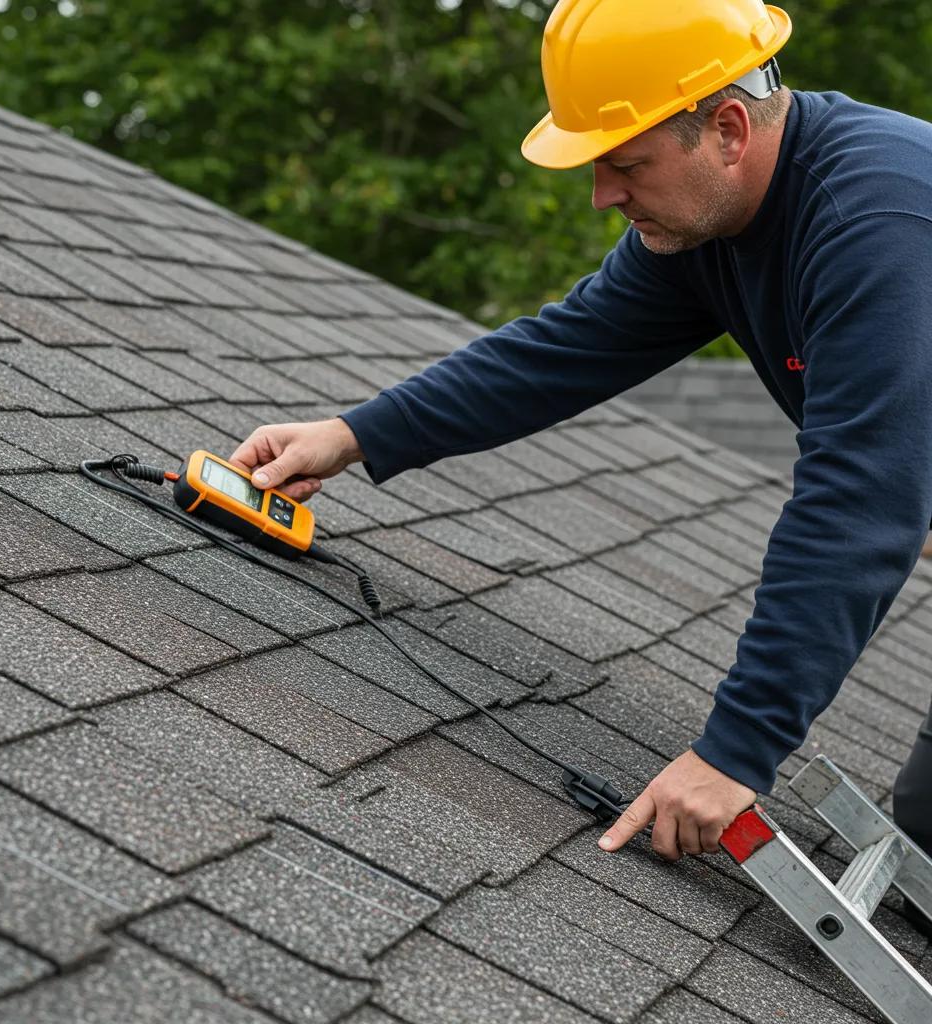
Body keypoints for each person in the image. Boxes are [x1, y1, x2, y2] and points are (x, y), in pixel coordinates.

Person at [229, 0, 932, 898]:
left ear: (725, 130)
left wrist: (736, 752)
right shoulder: (706, 221)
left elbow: (861, 496)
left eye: (625, 163)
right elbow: (567, 349)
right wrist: (356, 434)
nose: (603, 193)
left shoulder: (878, 226)